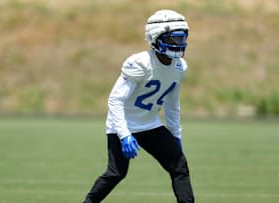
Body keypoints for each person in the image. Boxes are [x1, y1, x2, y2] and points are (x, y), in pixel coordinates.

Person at [83, 9, 195, 203]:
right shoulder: (140, 63)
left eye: (182, 38)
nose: (180, 44)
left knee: (179, 166)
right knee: (116, 173)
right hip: (123, 123)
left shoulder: (179, 67)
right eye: (174, 39)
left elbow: (171, 104)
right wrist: (124, 134)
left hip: (150, 124)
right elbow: (115, 100)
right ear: (155, 38)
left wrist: (175, 134)